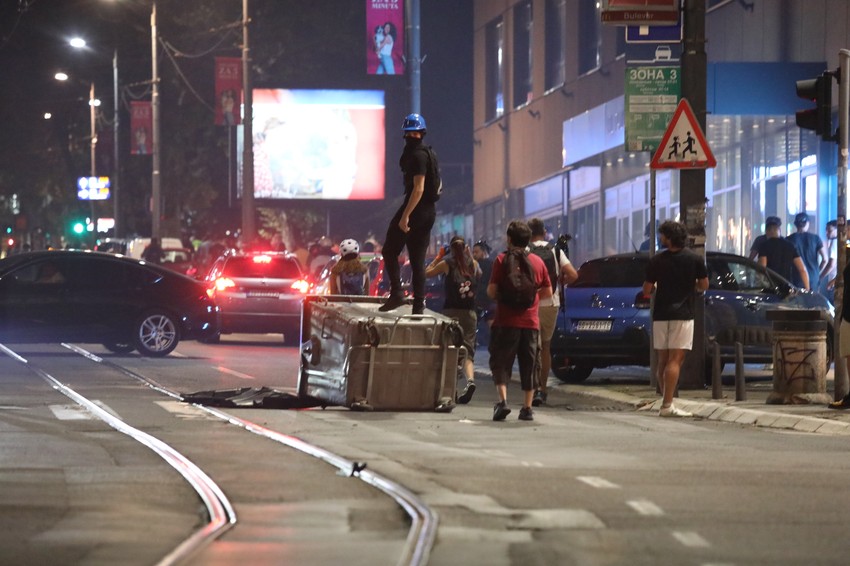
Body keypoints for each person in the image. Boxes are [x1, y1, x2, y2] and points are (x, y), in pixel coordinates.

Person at [642, 221, 709, 418]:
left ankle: (666, 402)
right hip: (683, 314)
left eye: (662, 235)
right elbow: (704, 285)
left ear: (670, 238)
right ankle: (667, 404)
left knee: (662, 360)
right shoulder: (695, 260)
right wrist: (692, 287)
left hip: (661, 314)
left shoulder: (656, 261)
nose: (660, 239)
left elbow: (647, 289)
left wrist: (656, 289)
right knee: (675, 359)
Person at [487, 220, 552, 422]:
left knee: (501, 363)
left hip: (505, 320)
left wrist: (502, 297)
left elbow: (491, 291)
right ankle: (527, 408)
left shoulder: (500, 260)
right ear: (528, 240)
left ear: (509, 239)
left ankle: (503, 402)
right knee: (529, 364)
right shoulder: (538, 262)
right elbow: (548, 292)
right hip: (530, 323)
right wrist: (531, 299)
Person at [379, 113, 440, 315]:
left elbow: (419, 188)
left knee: (389, 250)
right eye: (409, 133)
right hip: (429, 211)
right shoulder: (429, 154)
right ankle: (418, 305)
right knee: (417, 259)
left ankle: (397, 293)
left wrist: (405, 216)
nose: (409, 137)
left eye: (411, 133)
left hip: (416, 209)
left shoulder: (416, 155)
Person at [527, 218, 578, 407]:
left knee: (531, 347)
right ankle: (543, 389)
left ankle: (530, 387)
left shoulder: (525, 251)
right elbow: (573, 275)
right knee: (546, 347)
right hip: (551, 303)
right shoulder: (555, 251)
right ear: (543, 232)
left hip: (530, 304)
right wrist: (558, 283)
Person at [425, 236, 481, 404]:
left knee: (450, 349)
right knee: (468, 351)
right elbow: (480, 275)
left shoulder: (447, 263)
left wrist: (438, 256)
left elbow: (427, 273)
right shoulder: (473, 263)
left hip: (451, 313)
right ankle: (470, 381)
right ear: (465, 248)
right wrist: (470, 256)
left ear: (449, 248)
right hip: (470, 312)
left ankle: (452, 389)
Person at [758, 217, 808, 289]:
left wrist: (761, 285)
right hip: (787, 286)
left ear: (766, 232)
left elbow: (762, 268)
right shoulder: (790, 245)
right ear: (779, 231)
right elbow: (802, 269)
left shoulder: (764, 246)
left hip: (771, 286)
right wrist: (807, 289)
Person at [785, 212, 825, 291]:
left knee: (797, 302)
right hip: (813, 277)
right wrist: (817, 271)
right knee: (813, 301)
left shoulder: (788, 239)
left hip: (796, 278)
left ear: (795, 224)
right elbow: (825, 259)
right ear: (807, 223)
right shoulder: (816, 238)